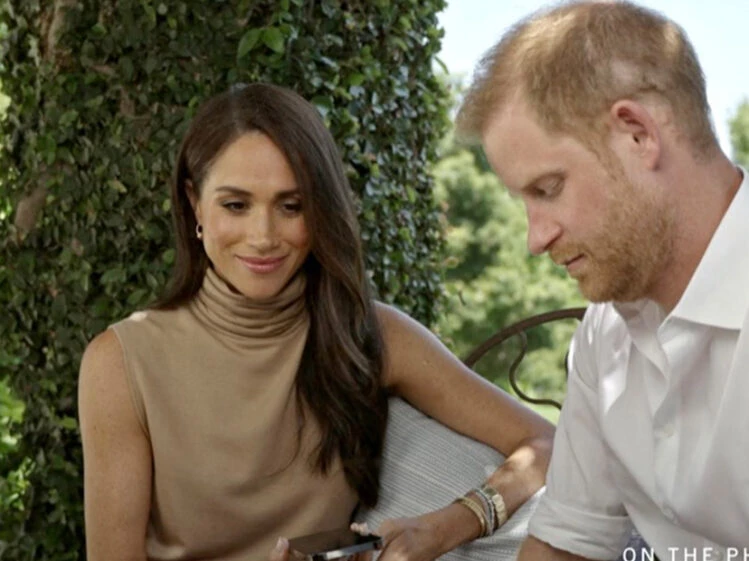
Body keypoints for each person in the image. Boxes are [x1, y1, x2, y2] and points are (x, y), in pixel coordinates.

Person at [78, 82, 554, 561]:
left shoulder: (368, 334)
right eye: (236, 205)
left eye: (292, 206)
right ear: (194, 203)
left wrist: (449, 525)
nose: (263, 236)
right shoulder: (120, 364)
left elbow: (545, 442)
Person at [455, 1, 749, 559]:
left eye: (547, 189)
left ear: (637, 134)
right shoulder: (605, 332)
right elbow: (567, 540)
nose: (535, 238)